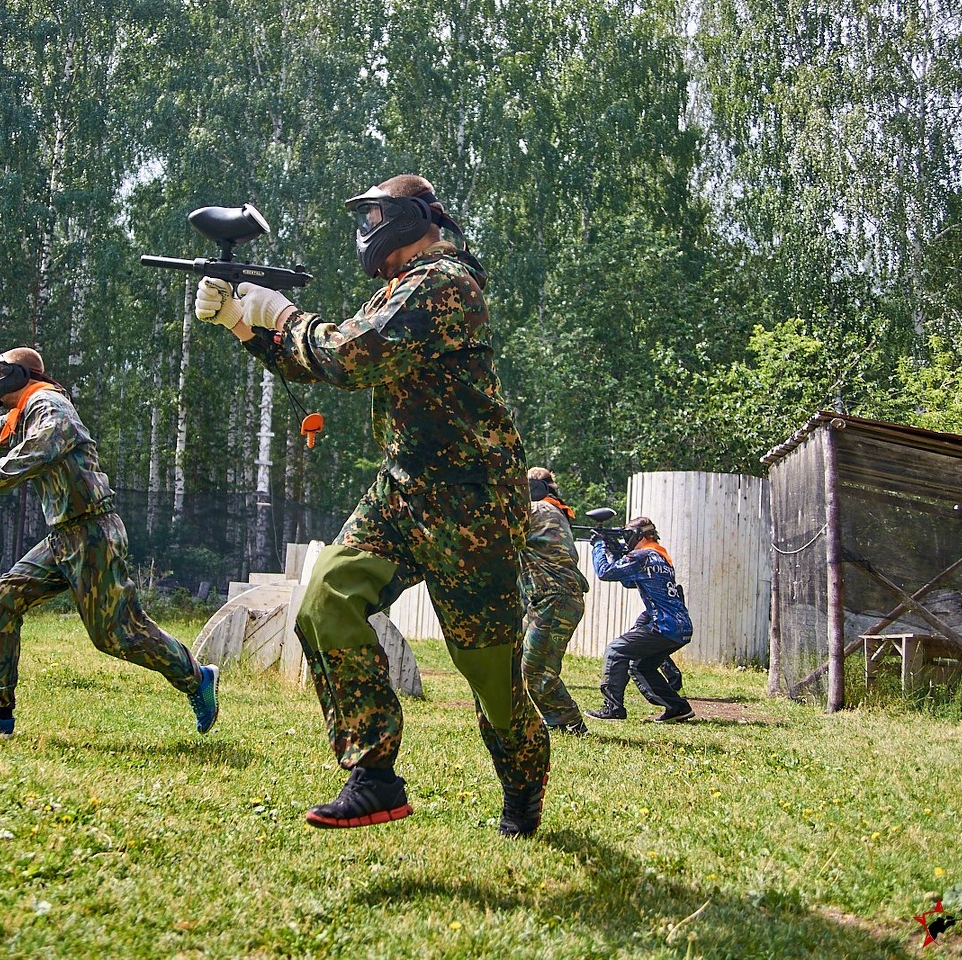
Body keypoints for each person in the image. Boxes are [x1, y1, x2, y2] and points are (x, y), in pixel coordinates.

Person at [193, 175, 550, 837]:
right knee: (324, 602)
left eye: (377, 212)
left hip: (473, 506)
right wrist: (243, 326)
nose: (367, 225)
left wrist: (277, 314)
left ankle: (523, 788)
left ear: (414, 216)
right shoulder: (401, 287)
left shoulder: (444, 283)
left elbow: (348, 356)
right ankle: (374, 774)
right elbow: (326, 362)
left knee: (492, 681)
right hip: (405, 488)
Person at [0, 347, 219, 738]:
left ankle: (196, 677)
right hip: (64, 536)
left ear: (20, 375)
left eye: (0, 370)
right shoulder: (24, 412)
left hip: (93, 533)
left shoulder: (48, 402)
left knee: (117, 635)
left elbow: (43, 447)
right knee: (4, 596)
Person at [586, 517, 695, 723]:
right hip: (680, 626)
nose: (627, 541)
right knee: (641, 666)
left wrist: (599, 545)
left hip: (664, 626)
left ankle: (613, 708)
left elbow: (605, 572)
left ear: (640, 536)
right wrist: (614, 550)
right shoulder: (659, 556)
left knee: (616, 650)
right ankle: (678, 708)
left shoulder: (643, 556)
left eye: (629, 536)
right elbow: (629, 581)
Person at [519, 467, 590, 736]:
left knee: (536, 672)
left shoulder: (539, 511)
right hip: (546, 599)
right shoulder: (553, 511)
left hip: (553, 599)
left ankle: (568, 724)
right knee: (517, 662)